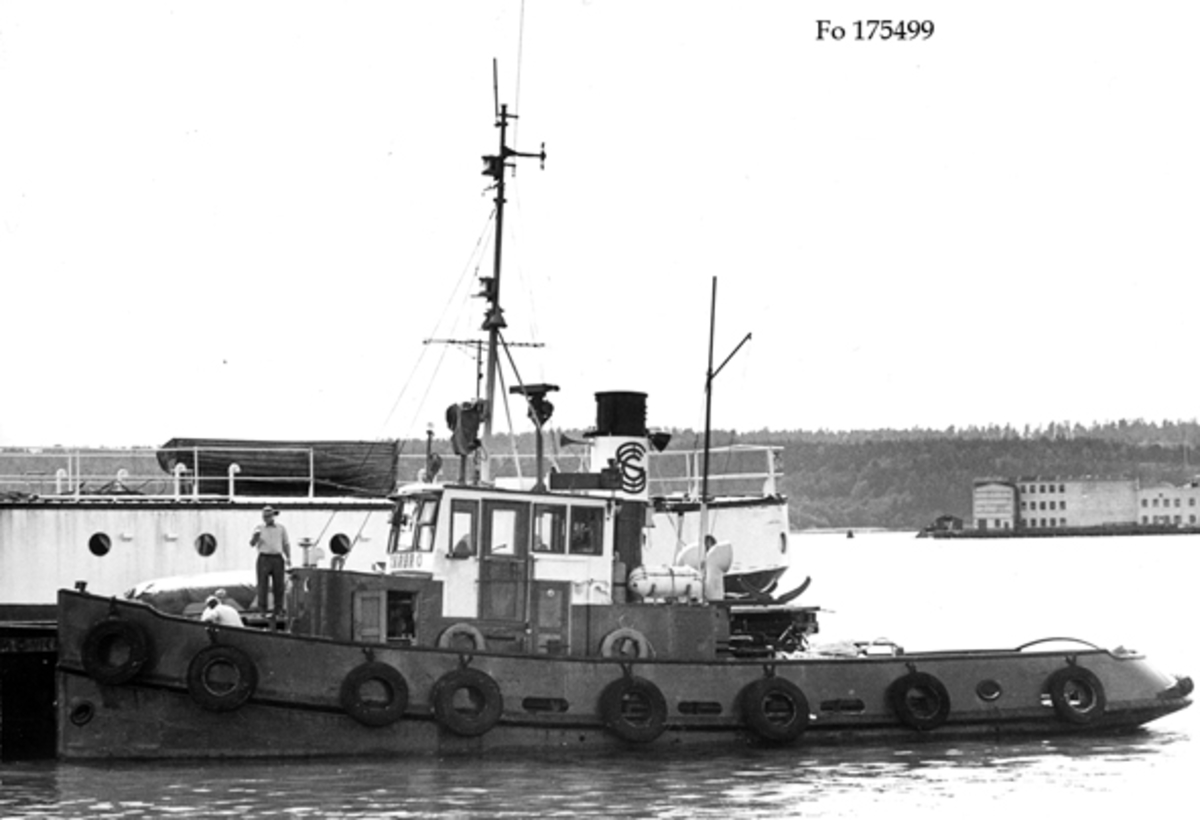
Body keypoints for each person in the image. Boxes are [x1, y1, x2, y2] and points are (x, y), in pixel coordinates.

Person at [250, 505, 291, 619]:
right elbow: (252, 544)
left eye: (268, 516)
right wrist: (255, 538)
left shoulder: (281, 528)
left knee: (279, 585)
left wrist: (288, 557)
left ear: (273, 516)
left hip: (277, 557)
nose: (266, 518)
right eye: (265, 516)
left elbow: (285, 543)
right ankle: (262, 609)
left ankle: (278, 609)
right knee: (262, 585)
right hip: (264, 557)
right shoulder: (259, 528)